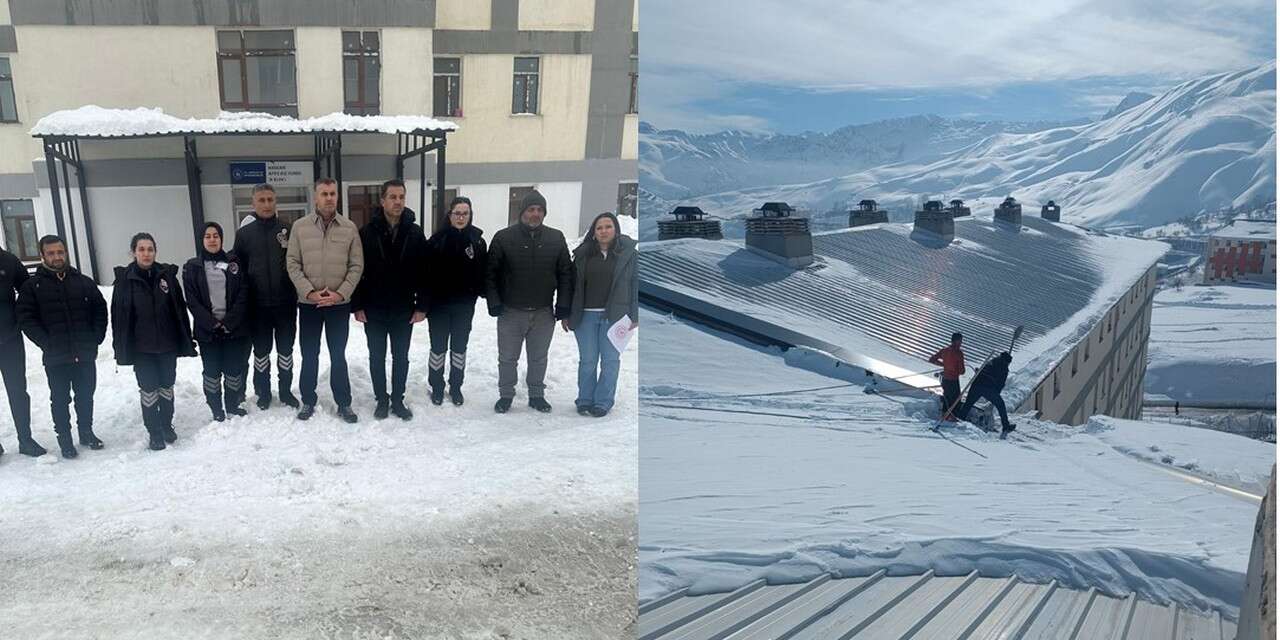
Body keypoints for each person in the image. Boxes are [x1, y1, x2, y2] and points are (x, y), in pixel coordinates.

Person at [17, 236, 108, 459]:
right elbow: (26, 318)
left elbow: (100, 309)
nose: (57, 257)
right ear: (42, 255)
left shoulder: (83, 282)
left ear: (65, 253)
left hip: (84, 352)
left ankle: (86, 432)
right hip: (56, 356)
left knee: (86, 395)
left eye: (60, 252)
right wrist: (46, 343)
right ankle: (65, 440)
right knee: (60, 399)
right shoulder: (33, 287)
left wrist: (95, 338)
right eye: (51, 253)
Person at [485, 189, 573, 414]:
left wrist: (563, 305)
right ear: (522, 211)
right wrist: (494, 302)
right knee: (507, 358)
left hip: (543, 313)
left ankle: (536, 394)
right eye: (531, 209)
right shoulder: (503, 238)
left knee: (538, 358)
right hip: (510, 312)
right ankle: (506, 395)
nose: (535, 214)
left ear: (544, 213)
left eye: (539, 210)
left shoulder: (556, 238)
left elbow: (566, 273)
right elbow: (490, 273)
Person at [286, 178, 364, 423]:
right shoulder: (299, 227)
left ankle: (344, 403)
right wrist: (309, 292)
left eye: (332, 193)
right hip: (309, 305)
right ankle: (308, 400)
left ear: (337, 197)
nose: (329, 198)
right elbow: (292, 263)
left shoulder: (349, 228)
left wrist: (340, 294)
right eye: (324, 194)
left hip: (338, 306)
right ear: (316, 197)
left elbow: (356, 265)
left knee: (338, 355)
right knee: (309, 354)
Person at [112, 233, 197, 451]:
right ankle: (154, 431)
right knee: (149, 390)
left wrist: (184, 339)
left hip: (167, 345)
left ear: (155, 251)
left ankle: (167, 425)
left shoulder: (166, 276)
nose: (146, 253)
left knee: (167, 387)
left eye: (150, 249)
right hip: (142, 349)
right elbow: (118, 317)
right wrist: (120, 347)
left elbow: (179, 309)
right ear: (133, 252)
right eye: (141, 249)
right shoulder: (125, 280)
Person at [352, 179, 427, 420]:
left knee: (401, 357)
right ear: (382, 201)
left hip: (403, 308)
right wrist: (358, 305)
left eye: (401, 197)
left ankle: (397, 400)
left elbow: (426, 271)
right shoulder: (366, 232)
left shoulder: (415, 232)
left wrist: (422, 305)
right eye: (392, 197)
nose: (397, 202)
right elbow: (356, 269)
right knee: (376, 356)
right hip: (373, 308)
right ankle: (381, 400)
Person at [232, 183, 300, 411]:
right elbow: (237, 271)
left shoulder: (288, 230)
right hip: (257, 306)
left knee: (285, 351)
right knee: (261, 352)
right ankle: (263, 392)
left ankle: (285, 391)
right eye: (261, 200)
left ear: (276, 201)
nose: (266, 204)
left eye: (270, 199)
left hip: (285, 304)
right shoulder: (243, 235)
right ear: (253, 203)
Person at [564, 212, 637, 417]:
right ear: (593, 233)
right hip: (585, 316)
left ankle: (603, 402)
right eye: (599, 228)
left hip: (616, 317)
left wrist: (635, 314)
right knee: (587, 360)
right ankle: (585, 399)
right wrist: (566, 312)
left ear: (616, 229)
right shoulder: (582, 255)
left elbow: (636, 285)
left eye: (608, 226)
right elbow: (571, 286)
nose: (604, 231)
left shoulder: (629, 255)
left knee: (610, 360)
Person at [184, 222, 251, 421]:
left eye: (216, 235)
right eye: (208, 236)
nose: (212, 239)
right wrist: (212, 323)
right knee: (212, 373)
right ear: (201, 240)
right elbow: (192, 300)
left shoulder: (234, 263)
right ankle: (216, 409)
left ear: (221, 239)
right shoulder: (192, 267)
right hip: (208, 331)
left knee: (233, 370)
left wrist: (228, 322)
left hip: (233, 329)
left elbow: (243, 293)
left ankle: (231, 405)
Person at [423, 196, 487, 407]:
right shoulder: (436, 241)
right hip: (439, 307)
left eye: (465, 213)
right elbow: (426, 275)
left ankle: (456, 386)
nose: (461, 217)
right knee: (438, 348)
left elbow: (483, 273)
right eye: (457, 213)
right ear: (449, 215)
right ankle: (437, 386)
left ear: (470, 215)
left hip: (464, 307)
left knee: (459, 348)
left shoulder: (477, 241)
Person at [0, 245, 40, 456]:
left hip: (10, 338)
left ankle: (25, 439)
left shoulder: (8, 260)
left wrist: (20, 319)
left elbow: (27, 291)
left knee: (18, 391)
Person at [956, 351, 1016, 435]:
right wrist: (995, 397)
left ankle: (960, 419)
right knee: (1000, 404)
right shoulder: (1004, 368)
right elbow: (1000, 385)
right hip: (988, 388)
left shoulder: (991, 361)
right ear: (1007, 362)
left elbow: (981, 370)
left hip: (976, 384)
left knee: (968, 404)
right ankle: (1006, 426)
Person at [929, 332, 965, 420]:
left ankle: (946, 415)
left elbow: (932, 359)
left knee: (947, 398)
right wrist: (950, 367)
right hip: (953, 380)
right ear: (956, 341)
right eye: (960, 341)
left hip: (945, 379)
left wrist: (944, 365)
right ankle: (950, 417)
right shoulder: (959, 353)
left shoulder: (944, 350)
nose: (961, 343)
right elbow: (962, 371)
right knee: (955, 400)